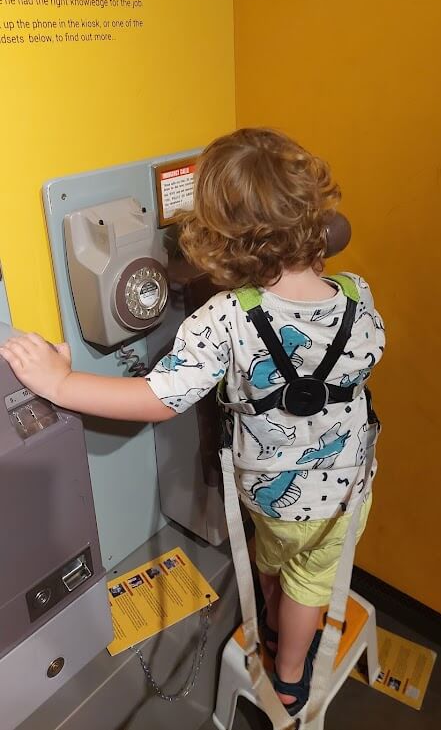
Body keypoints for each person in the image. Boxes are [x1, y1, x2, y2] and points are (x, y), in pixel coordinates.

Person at [0, 128, 385, 715]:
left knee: (275, 557)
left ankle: (279, 657)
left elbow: (159, 396)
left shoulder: (225, 317)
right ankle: (291, 668)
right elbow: (369, 352)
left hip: (270, 493)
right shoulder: (357, 293)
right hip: (346, 488)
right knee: (312, 580)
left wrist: (59, 383)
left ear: (221, 241)